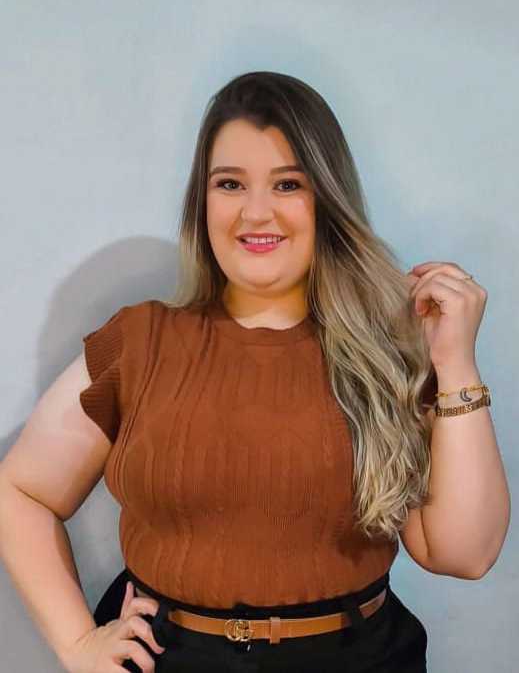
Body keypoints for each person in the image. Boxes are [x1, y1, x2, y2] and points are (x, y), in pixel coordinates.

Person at [0, 71, 506, 673]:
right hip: (172, 660)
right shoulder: (140, 343)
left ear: (326, 199)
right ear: (203, 201)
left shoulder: (387, 350)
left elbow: (463, 553)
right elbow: (21, 491)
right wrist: (78, 644)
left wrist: (455, 362)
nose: (256, 212)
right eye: (230, 184)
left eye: (288, 184)